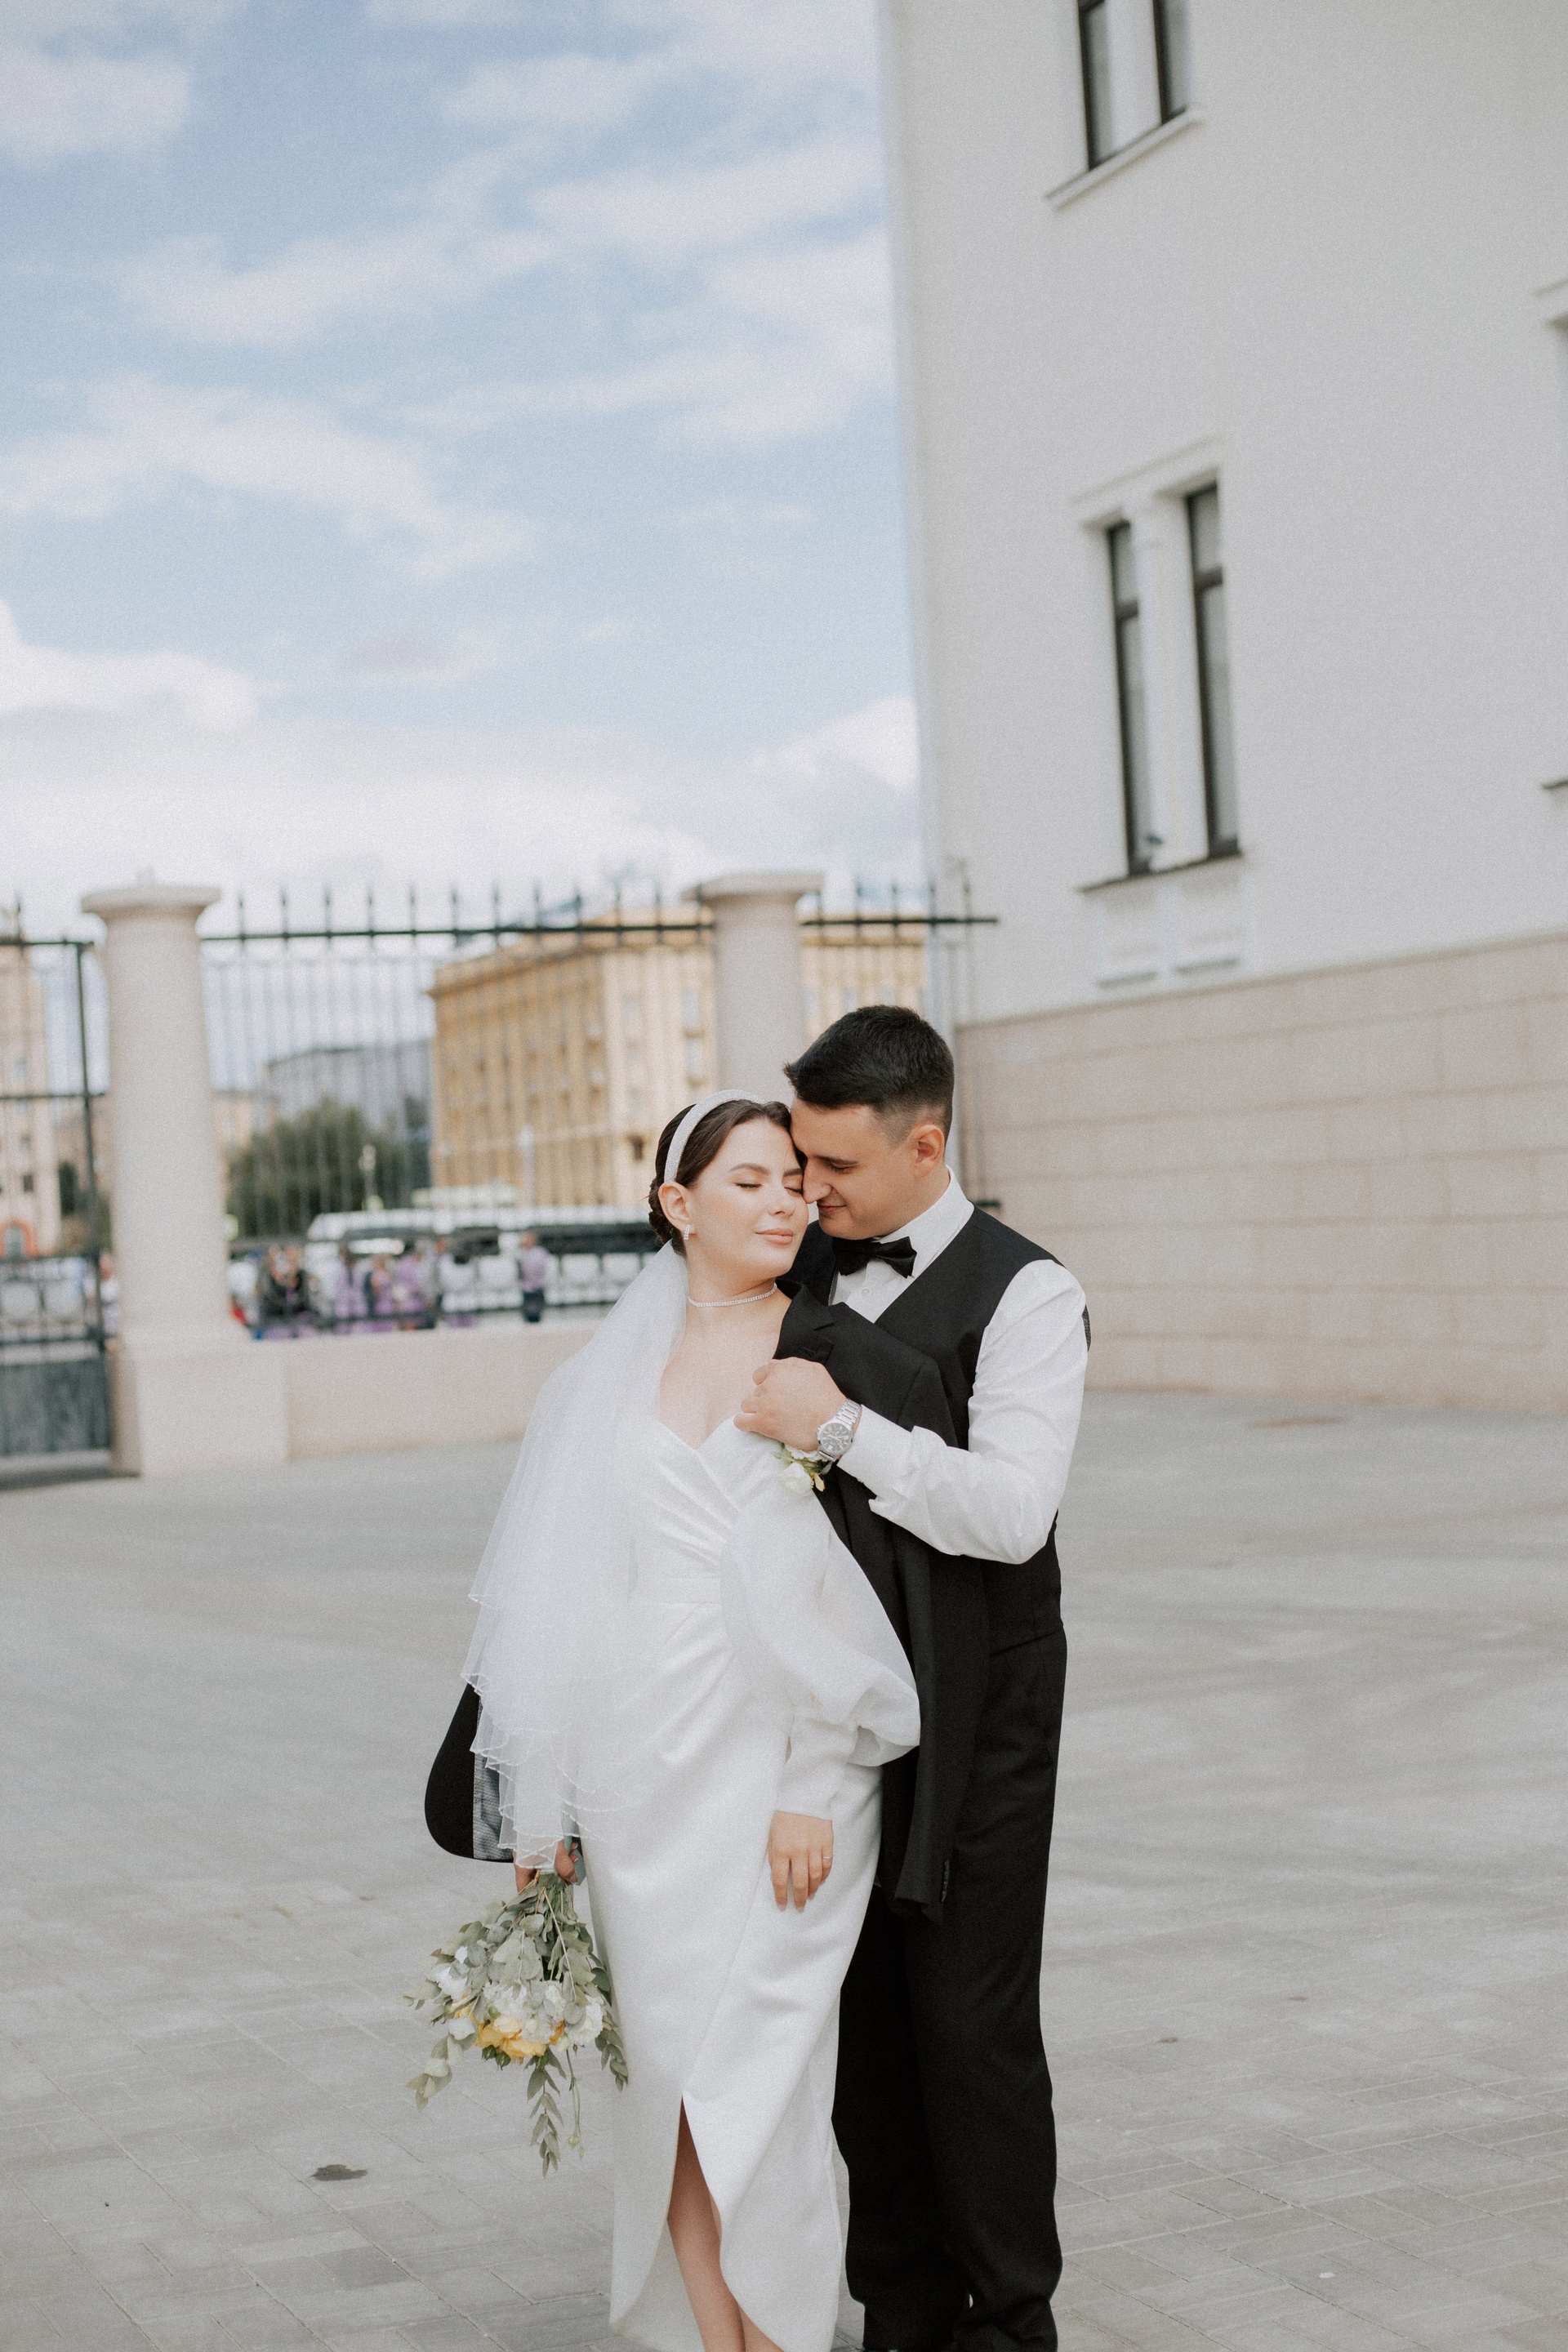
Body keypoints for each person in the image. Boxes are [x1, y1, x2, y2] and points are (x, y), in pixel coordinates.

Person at [462, 1094, 921, 2352]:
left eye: (794, 1181)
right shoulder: (597, 1381)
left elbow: (851, 1591)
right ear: (678, 1203)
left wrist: (814, 1782)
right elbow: (558, 1600)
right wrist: (543, 1808)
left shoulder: (826, 1360)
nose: (785, 1202)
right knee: (663, 2082)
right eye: (750, 1181)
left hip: (784, 1748)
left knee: (767, 2079)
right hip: (636, 1764)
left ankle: (784, 2330)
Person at [736, 1006, 1089, 2352]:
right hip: (831, 1693)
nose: (811, 1192)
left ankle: (1009, 2318)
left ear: (927, 1144)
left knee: (968, 2020)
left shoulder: (1029, 1294)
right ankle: (904, 2308)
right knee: (864, 2012)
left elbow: (1011, 1514)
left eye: (835, 1167)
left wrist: (839, 1426)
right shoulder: (797, 1268)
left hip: (982, 1697)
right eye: (800, 1163)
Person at [518, 1229, 550, 1323]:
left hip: (536, 1286)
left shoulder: (539, 1253)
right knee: (529, 1311)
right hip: (528, 1287)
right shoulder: (524, 1253)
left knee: (535, 1311)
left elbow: (535, 1269)